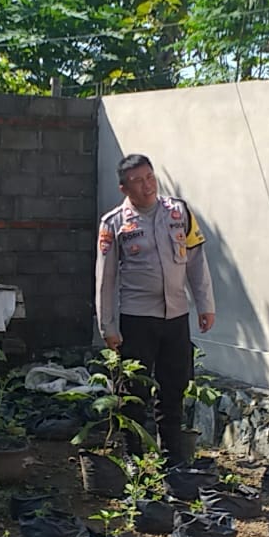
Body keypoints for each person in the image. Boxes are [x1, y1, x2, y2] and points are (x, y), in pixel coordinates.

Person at [94, 153, 216, 461]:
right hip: (137, 319)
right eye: (137, 181)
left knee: (173, 388)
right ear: (124, 188)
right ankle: (132, 457)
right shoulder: (113, 224)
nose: (147, 185)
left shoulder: (179, 212)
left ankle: (172, 457)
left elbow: (196, 262)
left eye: (150, 177)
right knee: (133, 390)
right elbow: (105, 279)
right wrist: (108, 326)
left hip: (176, 316)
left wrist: (205, 304)